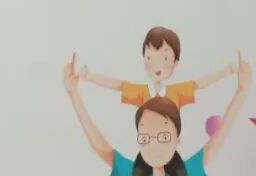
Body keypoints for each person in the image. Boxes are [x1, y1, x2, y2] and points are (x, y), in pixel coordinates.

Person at [62, 51, 252, 176]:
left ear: (177, 140)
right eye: (145, 137)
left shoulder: (189, 171)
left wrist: (242, 91)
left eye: (163, 136)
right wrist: (73, 94)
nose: (153, 144)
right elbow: (100, 146)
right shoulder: (128, 171)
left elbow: (218, 139)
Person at [80, 26, 237, 110]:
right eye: (150, 58)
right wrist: (91, 76)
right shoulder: (142, 92)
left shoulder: (176, 92)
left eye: (165, 58)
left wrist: (226, 71)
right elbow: (118, 85)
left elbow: (198, 84)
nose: (157, 66)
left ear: (175, 63)